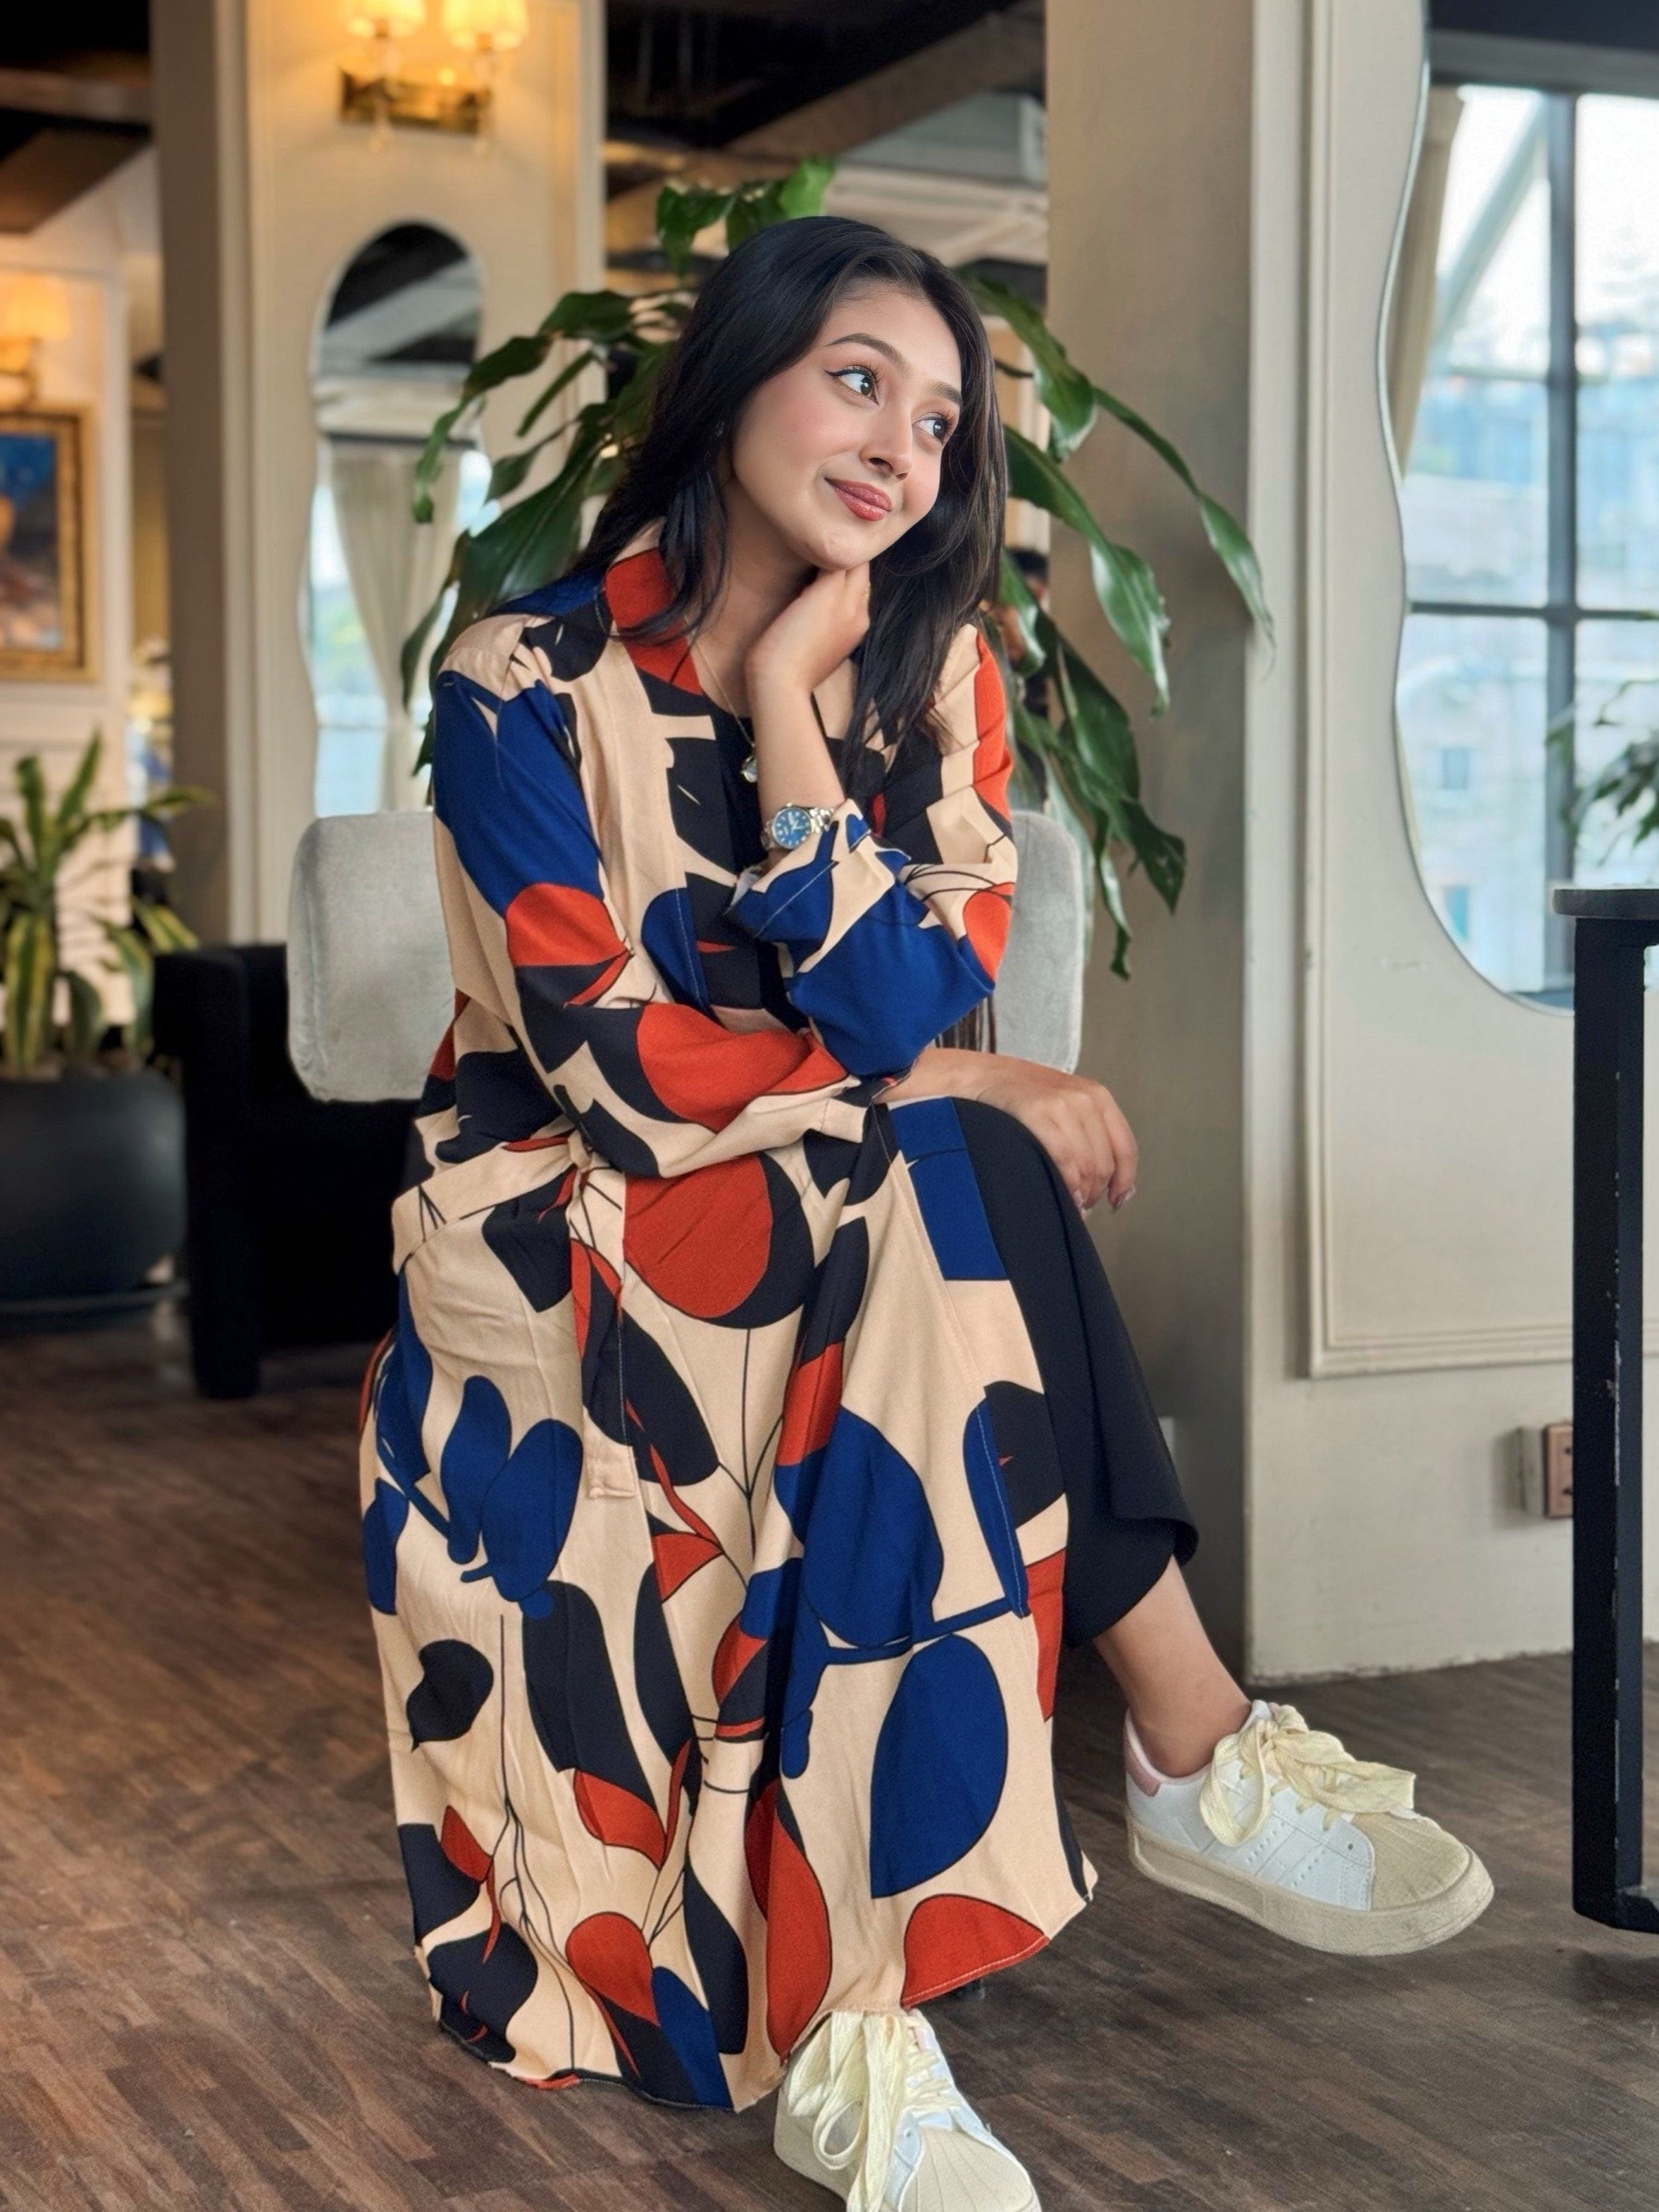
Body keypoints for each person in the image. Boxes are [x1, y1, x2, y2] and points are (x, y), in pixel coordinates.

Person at [358, 215, 1492, 2212]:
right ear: (736, 381)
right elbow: (616, 1067)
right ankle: (1184, 1738)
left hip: (826, 1206)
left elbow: (890, 1006)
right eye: (859, 379)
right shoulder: (516, 679)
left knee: (921, 1174)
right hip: (580, 1212)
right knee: (942, 1149)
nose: (903, 443)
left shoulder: (929, 682)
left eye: (945, 419)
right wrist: (951, 1076)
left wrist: (801, 707)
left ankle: (873, 2007)